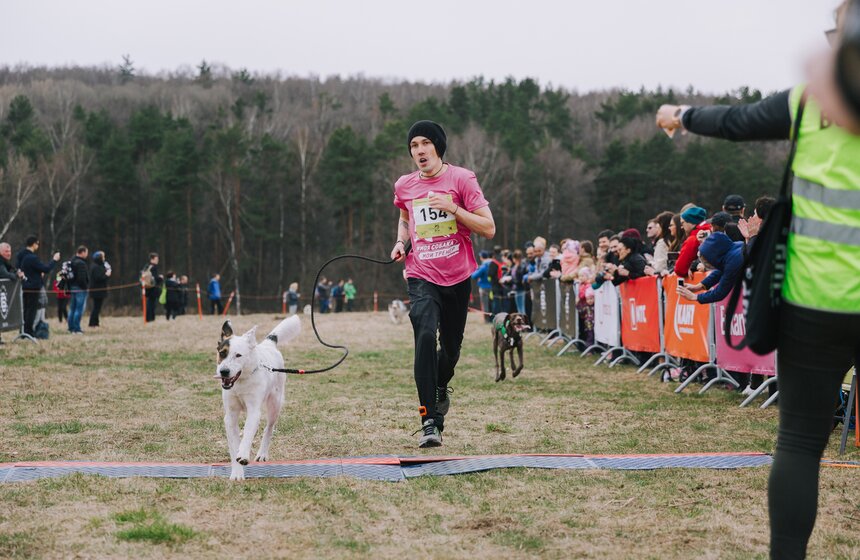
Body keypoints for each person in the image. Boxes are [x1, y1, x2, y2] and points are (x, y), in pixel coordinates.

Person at [656, 5, 860, 554]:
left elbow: (737, 121)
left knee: (798, 444)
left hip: (816, 302)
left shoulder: (811, 100)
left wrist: (682, 113)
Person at [391, 119, 495, 447]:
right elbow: (405, 217)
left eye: (424, 143)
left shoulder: (462, 179)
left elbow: (489, 228)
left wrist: (453, 208)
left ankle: (440, 385)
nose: (419, 151)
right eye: (413, 146)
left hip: (458, 277)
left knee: (449, 351)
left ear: (437, 146)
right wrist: (400, 243)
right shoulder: (404, 185)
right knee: (423, 334)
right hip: (421, 274)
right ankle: (430, 421)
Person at [16, 236, 60, 338]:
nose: (38, 246)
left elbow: (27, 270)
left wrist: (37, 272)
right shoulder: (32, 257)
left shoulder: (23, 256)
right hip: (33, 287)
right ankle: (28, 332)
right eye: (37, 244)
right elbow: (46, 269)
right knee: (31, 311)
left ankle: (24, 332)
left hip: (25, 286)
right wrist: (54, 260)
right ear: (34, 244)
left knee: (26, 310)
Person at [673, 206, 712, 278]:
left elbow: (680, 269)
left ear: (691, 222)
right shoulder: (712, 231)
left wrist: (692, 266)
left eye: (683, 223)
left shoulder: (692, 240)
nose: (681, 226)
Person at [0, 242, 24, 345]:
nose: (9, 253)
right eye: (6, 251)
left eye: (10, 251)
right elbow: (4, 273)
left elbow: (11, 270)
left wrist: (17, 273)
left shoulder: (5, 261)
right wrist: (15, 276)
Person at [66, 246, 89, 334]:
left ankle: (70, 328)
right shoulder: (81, 263)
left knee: (72, 308)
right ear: (82, 252)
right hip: (80, 289)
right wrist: (85, 287)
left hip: (72, 287)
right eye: (86, 252)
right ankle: (76, 328)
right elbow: (81, 278)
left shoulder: (71, 261)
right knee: (79, 309)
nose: (87, 255)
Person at [88, 250, 111, 328]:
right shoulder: (96, 267)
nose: (104, 258)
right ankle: (92, 323)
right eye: (103, 256)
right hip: (97, 291)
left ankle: (96, 322)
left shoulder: (99, 266)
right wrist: (107, 275)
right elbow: (98, 278)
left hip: (99, 290)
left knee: (97, 307)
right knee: (96, 307)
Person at [142, 253, 162, 322]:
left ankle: (148, 318)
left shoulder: (146, 266)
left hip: (146, 287)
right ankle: (150, 318)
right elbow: (156, 279)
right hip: (152, 288)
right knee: (152, 304)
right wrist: (160, 278)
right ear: (152, 259)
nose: (157, 260)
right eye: (156, 259)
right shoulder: (154, 267)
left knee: (149, 303)